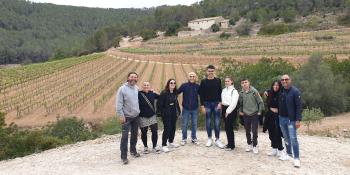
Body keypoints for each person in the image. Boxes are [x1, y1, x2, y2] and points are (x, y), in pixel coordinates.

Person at [116, 72, 141, 165]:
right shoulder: (122, 89)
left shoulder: (136, 88)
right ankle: (123, 157)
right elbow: (118, 104)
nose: (133, 78)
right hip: (126, 117)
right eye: (131, 77)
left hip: (136, 116)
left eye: (135, 77)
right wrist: (121, 115)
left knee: (134, 135)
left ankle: (133, 151)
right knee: (125, 137)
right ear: (128, 78)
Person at [278, 74, 302, 168]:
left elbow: (299, 106)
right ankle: (288, 154)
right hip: (281, 118)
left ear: (290, 80)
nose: (284, 81)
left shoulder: (295, 91)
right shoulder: (281, 90)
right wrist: (267, 92)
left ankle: (296, 158)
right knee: (286, 137)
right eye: (282, 80)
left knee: (293, 138)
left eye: (286, 79)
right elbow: (273, 90)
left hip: (291, 119)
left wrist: (298, 120)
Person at [199, 65, 224, 148]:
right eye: (209, 71)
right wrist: (202, 106)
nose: (210, 72)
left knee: (217, 122)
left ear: (214, 71)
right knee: (208, 122)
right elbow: (201, 95)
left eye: (212, 71)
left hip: (217, 103)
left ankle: (217, 139)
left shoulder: (218, 80)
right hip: (207, 104)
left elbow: (220, 92)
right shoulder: (203, 81)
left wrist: (220, 102)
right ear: (207, 72)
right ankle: (209, 138)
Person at [239, 78, 264, 154]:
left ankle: (255, 145)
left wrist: (259, 111)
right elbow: (240, 104)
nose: (244, 84)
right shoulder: (241, 93)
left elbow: (260, 102)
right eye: (243, 83)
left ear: (249, 83)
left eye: (246, 82)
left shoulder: (254, 91)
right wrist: (240, 111)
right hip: (246, 114)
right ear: (241, 84)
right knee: (247, 130)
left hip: (254, 114)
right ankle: (249, 144)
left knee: (254, 130)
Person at [157, 79, 181, 153]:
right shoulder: (164, 93)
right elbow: (159, 104)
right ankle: (164, 145)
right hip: (166, 113)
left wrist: (179, 111)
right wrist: (162, 113)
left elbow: (176, 103)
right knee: (167, 128)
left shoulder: (174, 93)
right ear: (168, 84)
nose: (173, 84)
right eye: (171, 83)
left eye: (174, 83)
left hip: (173, 112)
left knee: (173, 127)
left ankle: (171, 142)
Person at [177, 72, 200, 146]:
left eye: (193, 76)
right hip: (186, 108)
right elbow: (176, 92)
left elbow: (203, 95)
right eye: (191, 76)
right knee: (184, 124)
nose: (192, 77)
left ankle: (194, 138)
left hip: (195, 108)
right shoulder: (184, 86)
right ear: (188, 77)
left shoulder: (197, 86)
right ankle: (184, 139)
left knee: (194, 124)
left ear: (195, 77)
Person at [138, 81, 161, 154]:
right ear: (142, 86)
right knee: (144, 132)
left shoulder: (152, 93)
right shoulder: (138, 94)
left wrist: (156, 92)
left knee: (154, 131)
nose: (146, 86)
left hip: (152, 116)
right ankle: (145, 147)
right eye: (144, 85)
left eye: (147, 85)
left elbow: (161, 97)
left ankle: (154, 146)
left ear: (150, 86)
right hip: (142, 116)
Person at [263, 80, 284, 157]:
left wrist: (278, 110)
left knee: (277, 132)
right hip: (270, 115)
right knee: (271, 132)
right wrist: (271, 109)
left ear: (279, 86)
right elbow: (268, 104)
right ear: (272, 86)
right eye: (274, 85)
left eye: (277, 85)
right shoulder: (269, 93)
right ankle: (274, 149)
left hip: (278, 116)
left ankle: (280, 149)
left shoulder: (282, 94)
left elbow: (283, 105)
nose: (276, 86)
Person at [221, 77, 239, 151]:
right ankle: (229, 143)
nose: (227, 82)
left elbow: (234, 103)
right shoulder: (224, 90)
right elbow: (223, 100)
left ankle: (232, 145)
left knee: (229, 127)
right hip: (224, 108)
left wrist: (228, 111)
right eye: (225, 81)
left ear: (231, 81)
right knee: (227, 127)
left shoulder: (234, 91)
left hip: (231, 110)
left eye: (228, 81)